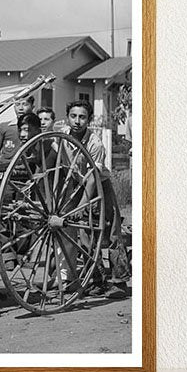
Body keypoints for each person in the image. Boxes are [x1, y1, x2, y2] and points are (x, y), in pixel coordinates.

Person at [65, 98, 129, 299]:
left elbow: (93, 177)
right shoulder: (62, 138)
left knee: (110, 232)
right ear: (67, 118)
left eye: (82, 117)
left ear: (89, 120)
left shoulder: (95, 143)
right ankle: (96, 280)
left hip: (100, 187)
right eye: (73, 116)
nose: (77, 121)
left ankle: (119, 281)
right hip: (77, 186)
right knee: (85, 235)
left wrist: (82, 205)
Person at [0, 95, 34, 166]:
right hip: (6, 171)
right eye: (17, 104)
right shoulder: (4, 127)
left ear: (32, 107)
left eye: (25, 104)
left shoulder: (36, 128)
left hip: (28, 172)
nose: (20, 108)